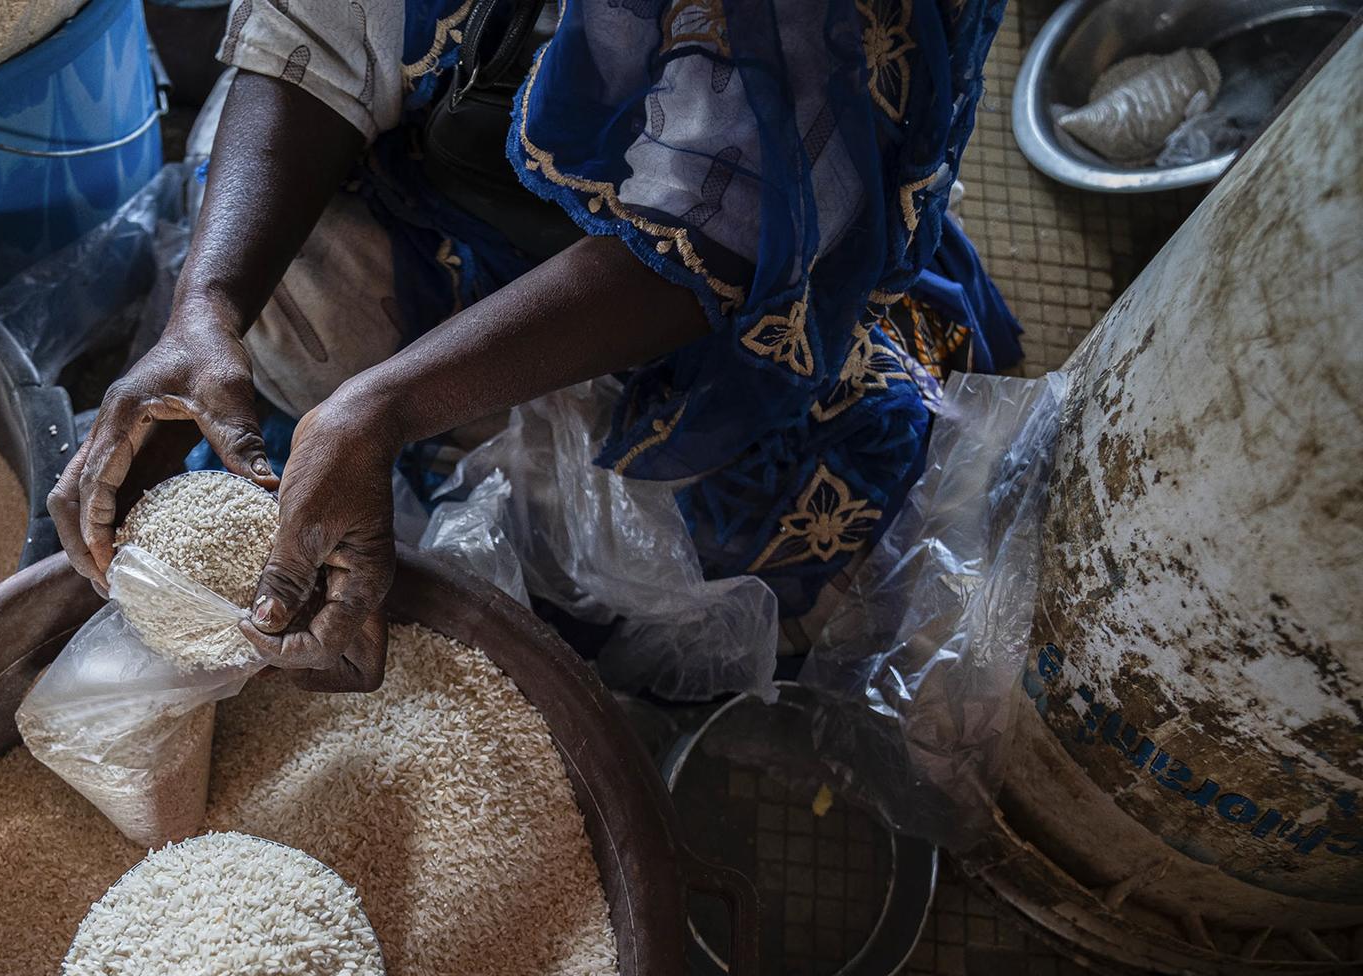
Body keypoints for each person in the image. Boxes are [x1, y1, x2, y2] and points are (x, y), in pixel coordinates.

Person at [49, 0, 1021, 692]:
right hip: (465, 168)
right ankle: (423, 419)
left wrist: (381, 408)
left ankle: (439, 421)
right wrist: (205, 306)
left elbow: (726, 225)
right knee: (268, 287)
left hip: (709, 275)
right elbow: (325, 27)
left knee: (748, 554)